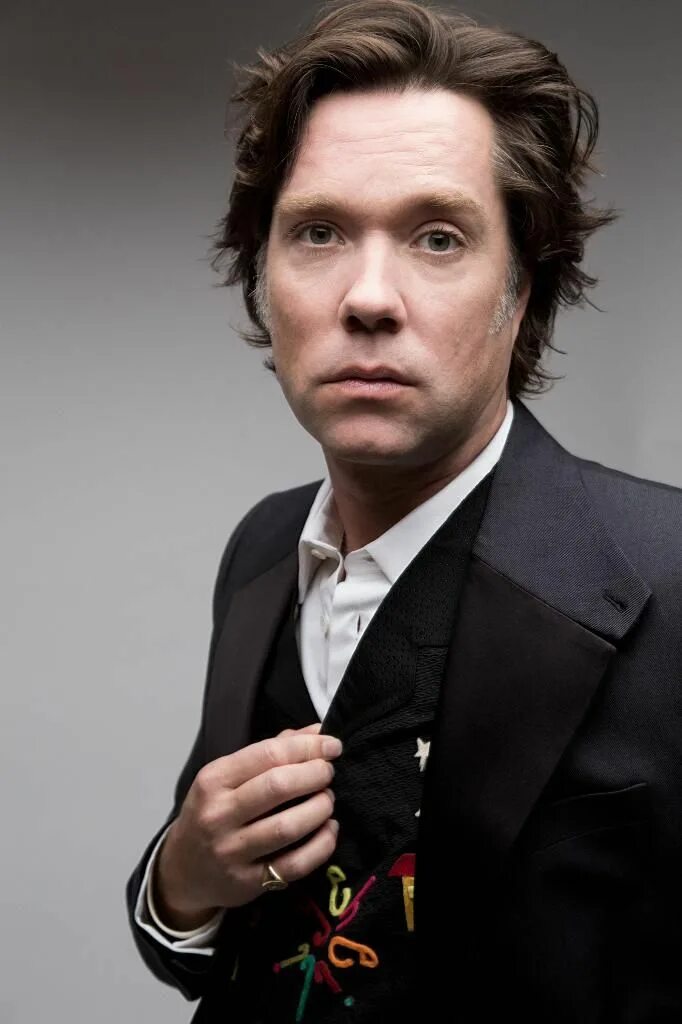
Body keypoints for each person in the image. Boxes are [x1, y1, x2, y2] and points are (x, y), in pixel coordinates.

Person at [125, 1, 682, 1020]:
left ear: (522, 287)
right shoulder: (262, 550)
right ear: (262, 277)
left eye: (436, 237)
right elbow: (220, 946)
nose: (369, 297)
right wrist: (182, 881)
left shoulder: (672, 571)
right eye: (318, 232)